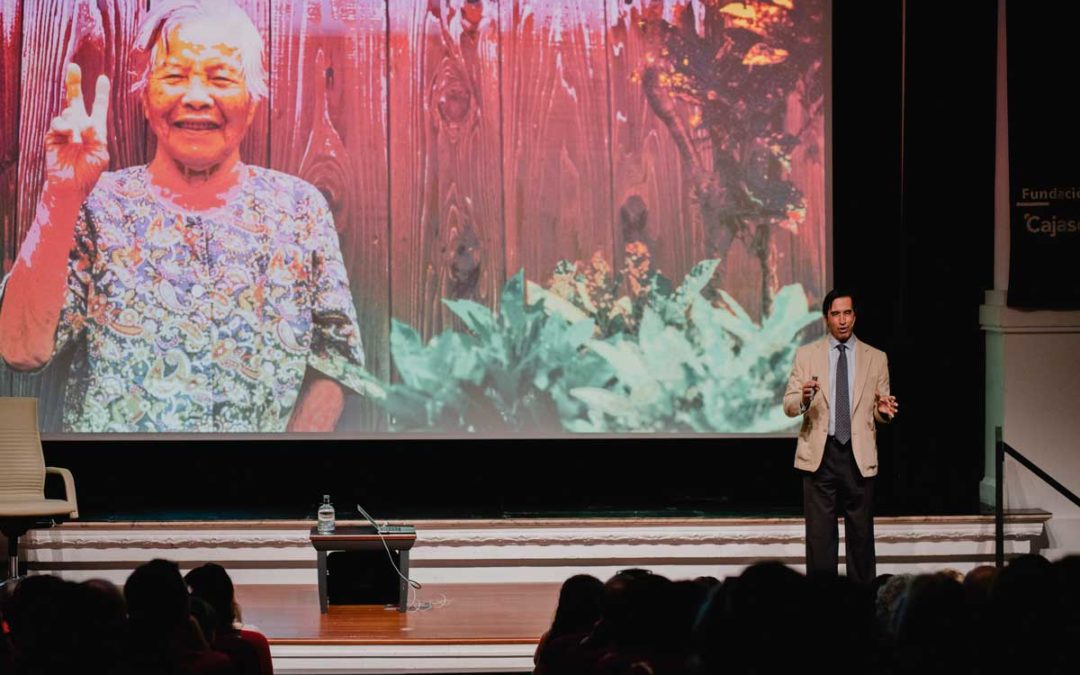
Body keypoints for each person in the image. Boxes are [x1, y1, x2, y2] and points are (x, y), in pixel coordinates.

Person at [0, 0, 369, 432]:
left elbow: (336, 361)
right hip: (119, 493)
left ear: (252, 100)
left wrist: (279, 471)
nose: (196, 97)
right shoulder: (97, 205)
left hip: (253, 493)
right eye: (174, 77)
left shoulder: (299, 208)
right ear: (145, 98)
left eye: (220, 78)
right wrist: (61, 193)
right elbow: (20, 349)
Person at [783, 290, 898, 586]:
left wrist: (883, 411)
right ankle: (822, 609)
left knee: (861, 539)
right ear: (826, 319)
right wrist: (805, 398)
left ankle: (863, 609)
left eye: (847, 313)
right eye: (836, 314)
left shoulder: (876, 358)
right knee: (820, 541)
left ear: (855, 316)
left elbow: (880, 408)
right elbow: (789, 404)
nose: (842, 320)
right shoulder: (806, 355)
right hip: (821, 456)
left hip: (857, 456)